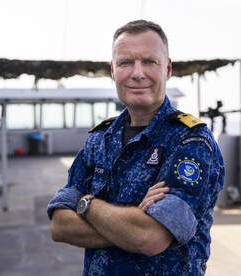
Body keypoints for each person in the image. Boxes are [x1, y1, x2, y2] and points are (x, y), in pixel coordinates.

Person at [47, 19, 224, 276]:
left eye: (149, 62)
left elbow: (150, 238)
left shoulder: (191, 142)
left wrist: (86, 204)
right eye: (125, 62)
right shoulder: (99, 140)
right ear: (113, 70)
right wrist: (133, 217)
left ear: (167, 69)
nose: (137, 73)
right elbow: (60, 226)